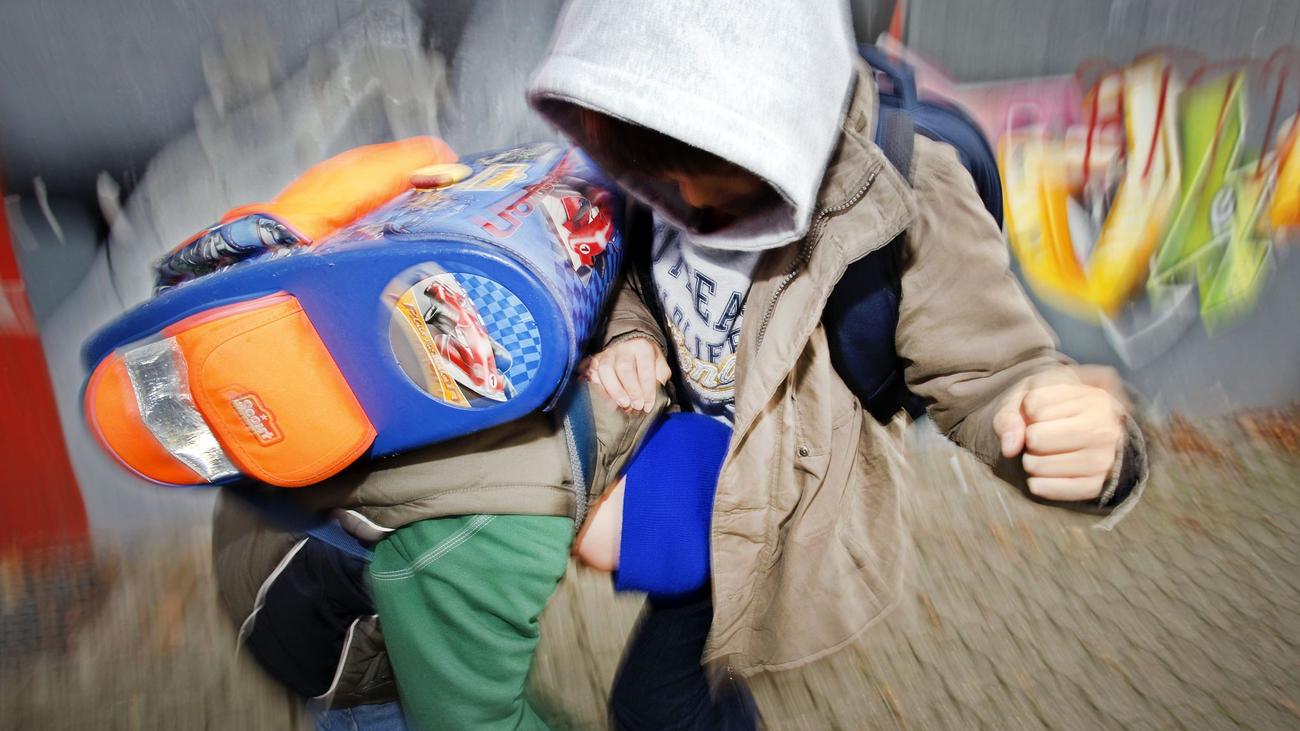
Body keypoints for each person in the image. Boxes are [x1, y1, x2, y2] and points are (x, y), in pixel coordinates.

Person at [526, 1, 1149, 728]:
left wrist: (1086, 445)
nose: (689, 202)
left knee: (656, 699)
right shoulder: (643, 139)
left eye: (722, 178)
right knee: (687, 678)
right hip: (679, 456)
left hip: (776, 504)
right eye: (662, 175)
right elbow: (628, 274)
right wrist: (633, 337)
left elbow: (995, 374)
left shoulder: (908, 189)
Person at [212, 379, 666, 731]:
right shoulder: (507, 534)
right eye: (624, 565)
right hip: (304, 608)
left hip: (279, 484)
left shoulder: (615, 389)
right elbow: (471, 722)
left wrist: (633, 337)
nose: (601, 574)